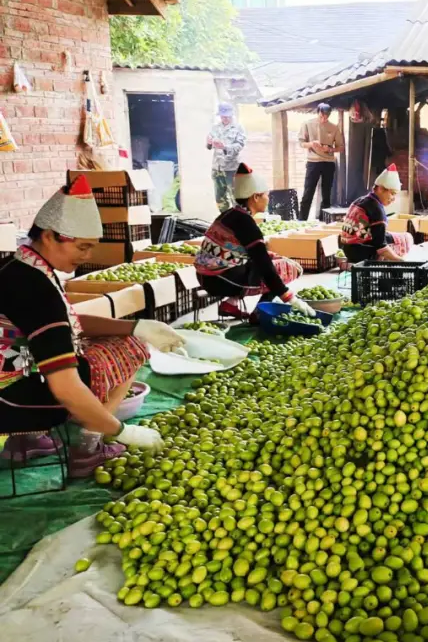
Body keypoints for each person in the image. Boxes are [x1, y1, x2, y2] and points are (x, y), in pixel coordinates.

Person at [0, 176, 180, 475]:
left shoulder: (18, 267)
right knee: (129, 349)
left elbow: (65, 322)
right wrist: (120, 430)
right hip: (8, 403)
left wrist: (136, 325)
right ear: (49, 236)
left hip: (9, 380)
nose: (87, 256)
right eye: (82, 247)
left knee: (125, 338)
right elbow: (65, 386)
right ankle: (89, 447)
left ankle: (28, 441)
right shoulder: (36, 288)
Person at [196, 164, 317, 320]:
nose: (268, 199)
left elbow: (241, 252)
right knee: (286, 268)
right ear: (255, 197)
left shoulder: (228, 214)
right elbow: (265, 268)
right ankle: (259, 314)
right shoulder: (246, 223)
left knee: (270, 259)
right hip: (222, 280)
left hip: (205, 277)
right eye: (266, 195)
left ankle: (231, 304)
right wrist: (290, 298)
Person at [340, 164, 413, 263]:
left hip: (347, 249)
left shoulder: (360, 200)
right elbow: (381, 247)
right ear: (381, 189)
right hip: (362, 253)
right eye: (392, 193)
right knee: (406, 238)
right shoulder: (376, 209)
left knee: (391, 235)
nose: (393, 199)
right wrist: (401, 261)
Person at [299, 102, 345, 221]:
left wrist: (330, 149)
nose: (324, 118)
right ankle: (302, 220)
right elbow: (301, 143)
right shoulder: (307, 124)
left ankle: (323, 221)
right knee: (308, 192)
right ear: (318, 112)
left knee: (326, 193)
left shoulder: (334, 128)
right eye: (322, 116)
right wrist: (311, 144)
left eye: (326, 116)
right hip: (313, 161)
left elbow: (341, 147)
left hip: (328, 162)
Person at [206, 102, 247, 212]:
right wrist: (209, 142)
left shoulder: (238, 128)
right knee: (220, 198)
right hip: (217, 167)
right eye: (222, 116)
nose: (225, 118)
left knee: (235, 197)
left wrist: (225, 147)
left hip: (231, 168)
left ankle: (239, 220)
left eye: (227, 116)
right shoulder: (215, 128)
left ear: (231, 115)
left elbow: (240, 145)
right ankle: (225, 219)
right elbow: (209, 146)